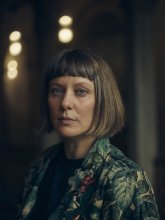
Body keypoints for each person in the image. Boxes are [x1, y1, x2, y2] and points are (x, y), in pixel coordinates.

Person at [18, 48, 159, 220]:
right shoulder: (39, 166)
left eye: (81, 91)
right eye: (56, 90)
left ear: (103, 100)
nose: (65, 103)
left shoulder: (126, 177)